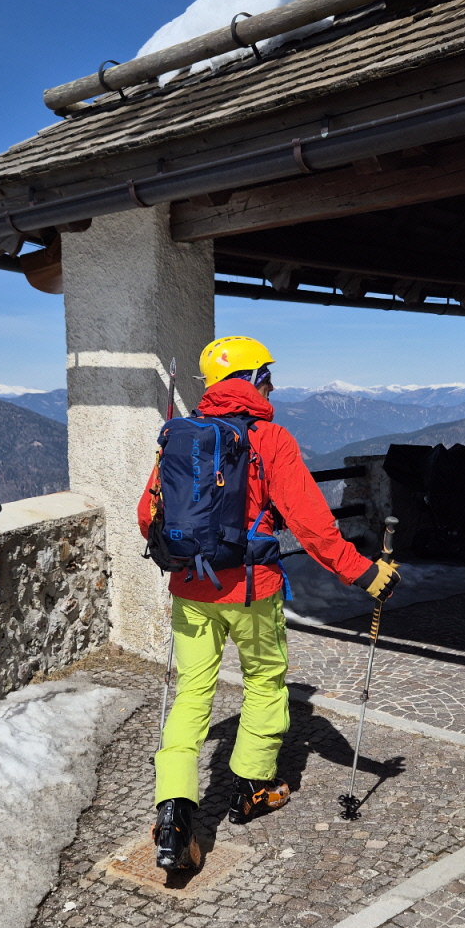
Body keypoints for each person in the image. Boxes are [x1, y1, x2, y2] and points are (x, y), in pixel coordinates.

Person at [137, 335, 401, 870]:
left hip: (191, 591)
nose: (273, 386)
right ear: (252, 379)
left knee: (191, 694)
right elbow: (311, 523)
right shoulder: (271, 439)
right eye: (267, 376)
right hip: (252, 590)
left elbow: (148, 516)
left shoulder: (180, 436)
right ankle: (252, 787)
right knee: (263, 682)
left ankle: (173, 812)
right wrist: (364, 573)